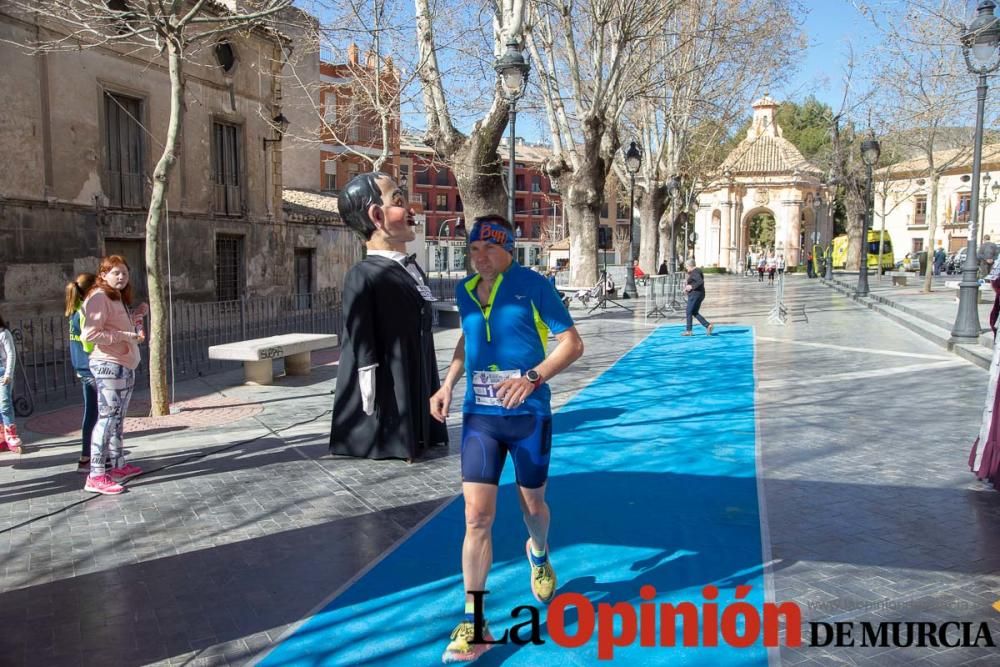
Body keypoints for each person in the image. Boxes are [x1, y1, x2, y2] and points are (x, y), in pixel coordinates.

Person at [430, 214, 584, 663]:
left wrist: (533, 378)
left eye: (489, 249)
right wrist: (448, 383)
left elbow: (572, 344)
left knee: (532, 505)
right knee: (477, 517)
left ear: (509, 250)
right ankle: (475, 622)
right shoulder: (463, 291)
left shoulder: (533, 285)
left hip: (529, 415)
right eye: (473, 249)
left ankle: (538, 552)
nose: (480, 257)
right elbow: (468, 337)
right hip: (481, 417)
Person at [329, 171, 448, 461]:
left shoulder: (410, 269)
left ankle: (421, 430)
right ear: (376, 216)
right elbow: (360, 333)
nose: (410, 210)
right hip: (388, 377)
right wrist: (367, 380)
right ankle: (387, 435)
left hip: (414, 361)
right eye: (398, 201)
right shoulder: (363, 275)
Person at [82, 255, 148, 495]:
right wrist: (122, 337)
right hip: (108, 364)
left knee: (118, 418)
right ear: (103, 275)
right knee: (107, 418)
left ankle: (119, 465)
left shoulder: (115, 296)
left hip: (124, 363)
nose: (121, 277)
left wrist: (137, 314)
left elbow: (117, 325)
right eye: (116, 273)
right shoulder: (99, 297)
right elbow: (89, 335)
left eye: (125, 273)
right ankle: (96, 474)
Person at [66, 274, 99, 472]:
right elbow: (89, 344)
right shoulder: (85, 311)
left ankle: (87, 456)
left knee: (91, 412)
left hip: (82, 367)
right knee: (97, 414)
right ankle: (90, 457)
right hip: (91, 368)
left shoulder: (74, 310)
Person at [0, 311, 23, 454]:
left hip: (2, 372)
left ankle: (11, 432)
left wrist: (8, 373)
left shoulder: (4, 333)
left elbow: (11, 354)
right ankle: (2, 433)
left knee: (4, 403)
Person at [681, 258, 714, 336]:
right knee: (694, 312)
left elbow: (700, 281)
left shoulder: (695, 272)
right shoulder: (697, 271)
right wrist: (688, 288)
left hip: (695, 295)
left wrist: (691, 287)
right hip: (699, 294)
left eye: (687, 266)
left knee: (689, 311)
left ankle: (689, 331)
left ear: (690, 266)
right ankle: (708, 326)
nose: (686, 268)